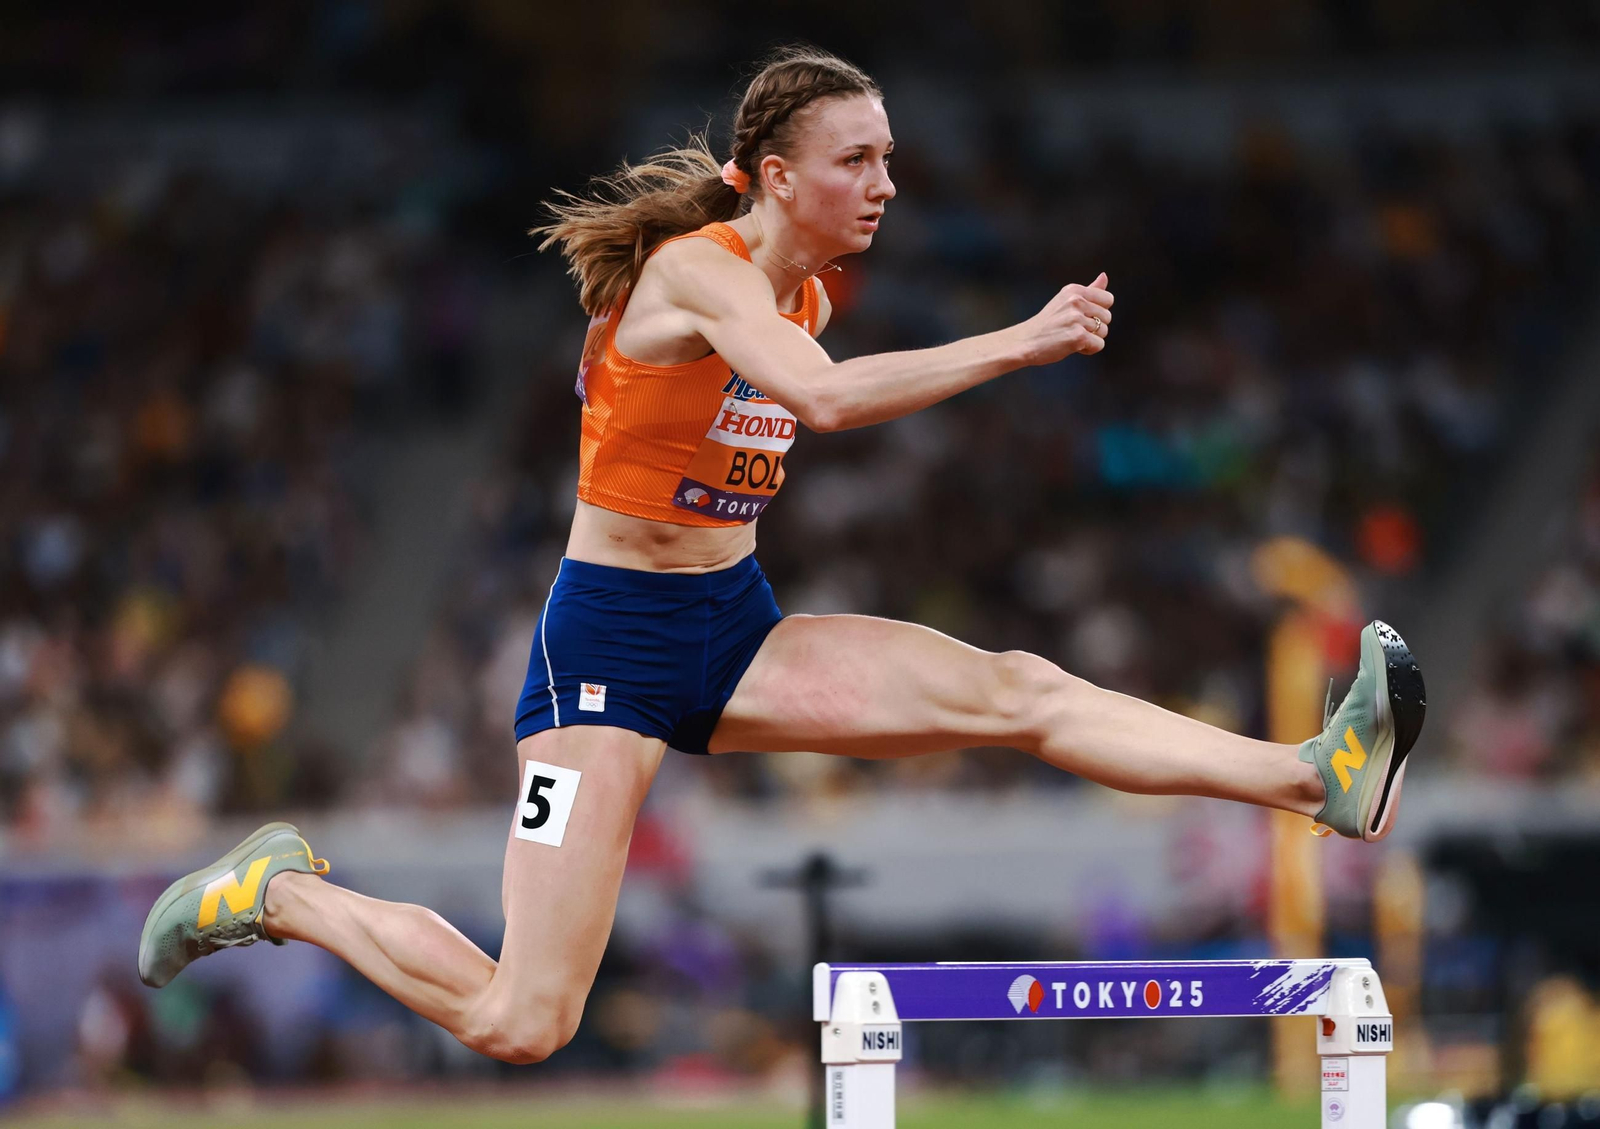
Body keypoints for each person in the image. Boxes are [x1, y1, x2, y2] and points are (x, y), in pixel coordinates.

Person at [137, 46, 1426, 1065]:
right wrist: (1018, 343)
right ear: (769, 173)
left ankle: (1319, 775)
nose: (884, 183)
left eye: (888, 158)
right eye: (856, 159)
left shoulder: (800, 290)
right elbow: (825, 403)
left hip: (733, 629)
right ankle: (282, 889)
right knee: (523, 1019)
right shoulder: (705, 279)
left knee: (1014, 688)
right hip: (607, 657)